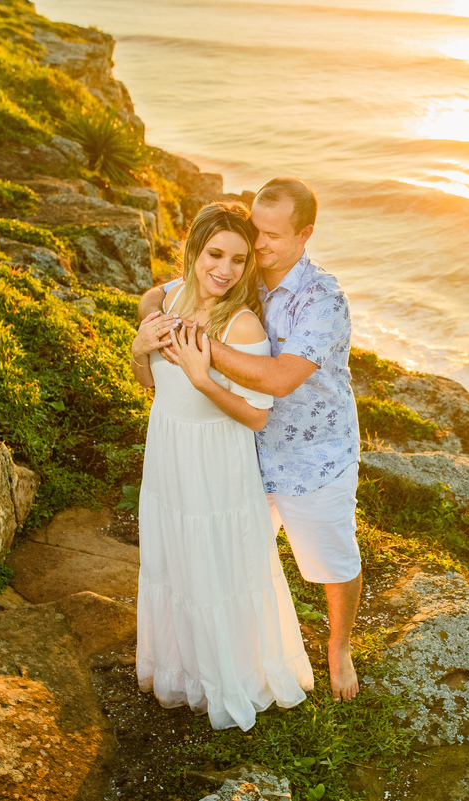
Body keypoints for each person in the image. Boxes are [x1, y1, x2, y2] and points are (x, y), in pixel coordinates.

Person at [139, 178, 362, 702]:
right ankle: (235, 657)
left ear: (305, 234)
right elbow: (187, 281)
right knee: (234, 563)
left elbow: (281, 378)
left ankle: (340, 646)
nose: (258, 246)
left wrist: (199, 349)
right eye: (254, 231)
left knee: (332, 560)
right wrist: (153, 316)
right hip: (239, 452)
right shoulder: (245, 274)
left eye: (271, 237)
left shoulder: (321, 297)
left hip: (311, 457)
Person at [130, 201, 314, 730]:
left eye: (239, 259)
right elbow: (148, 383)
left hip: (215, 460)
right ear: (192, 251)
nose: (225, 270)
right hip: (168, 451)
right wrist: (140, 347)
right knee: (176, 563)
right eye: (215, 254)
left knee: (215, 567)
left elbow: (258, 417)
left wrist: (204, 378)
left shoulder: (241, 323)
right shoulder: (165, 299)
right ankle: (184, 670)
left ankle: (230, 677)